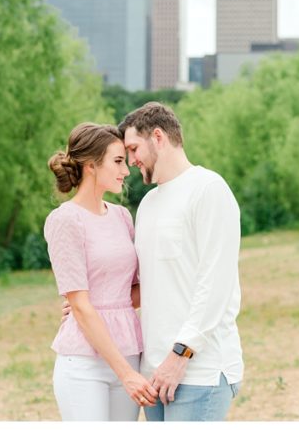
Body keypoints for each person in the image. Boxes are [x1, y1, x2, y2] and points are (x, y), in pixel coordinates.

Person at [120, 102, 244, 421]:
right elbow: (149, 282)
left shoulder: (208, 190)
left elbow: (215, 284)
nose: (131, 161)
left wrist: (180, 354)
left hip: (198, 371)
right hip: (154, 374)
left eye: (134, 149)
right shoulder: (147, 204)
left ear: (158, 137)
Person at [43, 122, 158, 421]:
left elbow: (131, 291)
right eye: (118, 161)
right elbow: (80, 305)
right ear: (91, 165)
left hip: (130, 351)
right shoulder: (65, 220)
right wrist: (127, 375)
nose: (126, 170)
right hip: (84, 362)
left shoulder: (121, 216)